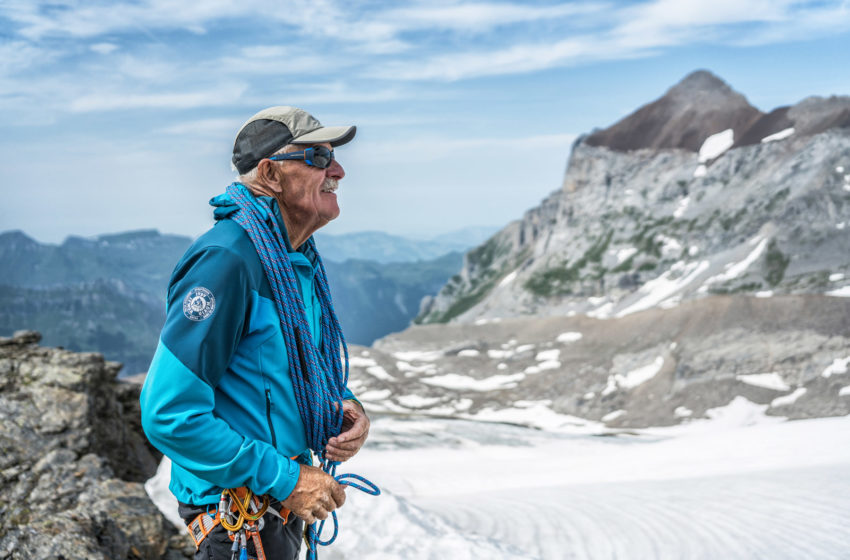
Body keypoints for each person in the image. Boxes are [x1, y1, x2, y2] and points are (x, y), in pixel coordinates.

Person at [140, 106, 370, 560]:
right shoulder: (227, 261)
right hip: (239, 522)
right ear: (270, 174)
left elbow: (295, 371)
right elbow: (168, 414)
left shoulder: (291, 261)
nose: (338, 169)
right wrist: (287, 479)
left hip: (268, 518)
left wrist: (345, 406)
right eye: (319, 158)